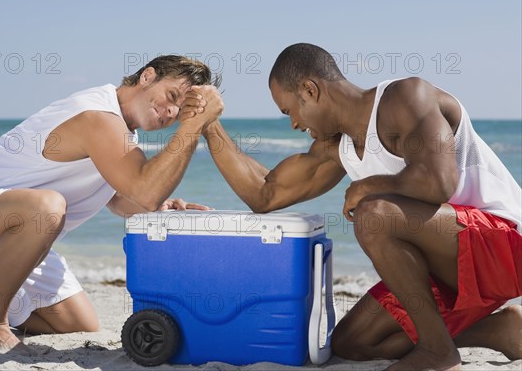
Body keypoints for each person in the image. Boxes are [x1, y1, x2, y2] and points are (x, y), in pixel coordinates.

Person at [196, 43, 521, 370]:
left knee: (374, 215)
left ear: (310, 90)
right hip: (448, 267)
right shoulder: (339, 147)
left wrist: (369, 186)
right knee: (353, 342)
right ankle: (498, 331)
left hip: (505, 246)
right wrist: (209, 126)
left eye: (289, 110)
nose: (293, 123)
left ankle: (438, 353)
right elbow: (265, 195)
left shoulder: (406, 97)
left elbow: (439, 180)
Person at [0, 55, 223, 354]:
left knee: (76, 321)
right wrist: (193, 126)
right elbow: (144, 190)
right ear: (147, 77)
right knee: (48, 207)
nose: (171, 112)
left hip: (17, 230)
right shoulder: (99, 116)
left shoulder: (122, 131)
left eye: (181, 111)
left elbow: (119, 200)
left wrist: (162, 208)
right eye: (172, 96)